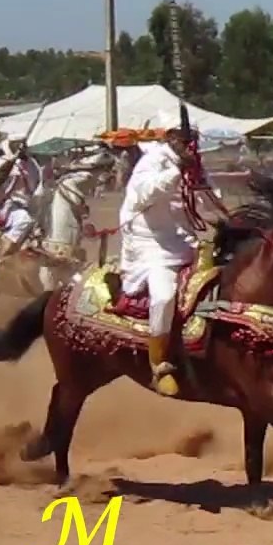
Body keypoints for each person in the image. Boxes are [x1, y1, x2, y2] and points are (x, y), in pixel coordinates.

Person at [116, 126, 210, 397]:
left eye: (193, 138)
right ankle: (159, 364)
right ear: (171, 139)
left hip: (183, 238)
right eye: (185, 139)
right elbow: (145, 194)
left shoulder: (192, 161)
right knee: (164, 295)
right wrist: (177, 169)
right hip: (150, 242)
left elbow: (206, 196)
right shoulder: (152, 160)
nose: (191, 144)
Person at [0, 133, 43, 257]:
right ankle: (2, 256)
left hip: (29, 205)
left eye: (22, 143)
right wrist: (3, 175)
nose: (21, 146)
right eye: (17, 143)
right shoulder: (1, 162)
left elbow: (38, 186)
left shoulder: (32, 165)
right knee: (24, 220)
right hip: (6, 205)